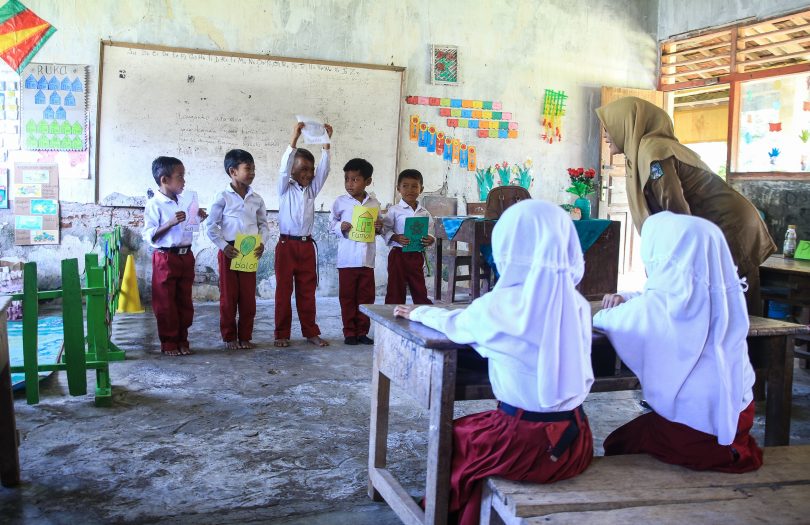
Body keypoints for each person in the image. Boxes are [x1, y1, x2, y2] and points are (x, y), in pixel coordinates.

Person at [394, 200, 594, 525]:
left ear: (508, 247)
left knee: (457, 439)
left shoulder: (501, 306)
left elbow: (456, 325)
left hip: (525, 445)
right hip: (576, 441)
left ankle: (440, 514)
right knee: (472, 441)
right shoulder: (577, 303)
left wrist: (420, 311)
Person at [594, 212, 763, 473]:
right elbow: (659, 298)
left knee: (617, 443)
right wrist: (627, 297)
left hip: (698, 433)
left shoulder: (657, 309)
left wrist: (615, 305)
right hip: (738, 419)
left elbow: (607, 319)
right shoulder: (724, 295)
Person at [596, 96, 776, 314]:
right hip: (717, 225)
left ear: (626, 124)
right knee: (713, 297)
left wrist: (672, 265)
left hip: (731, 227)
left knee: (733, 297)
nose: (605, 134)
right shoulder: (640, 154)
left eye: (609, 127)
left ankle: (748, 346)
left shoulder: (654, 153)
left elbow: (674, 210)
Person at [275, 122, 333, 347]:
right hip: (286, 246)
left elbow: (325, 170)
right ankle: (281, 333)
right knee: (283, 292)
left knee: (307, 292)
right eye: (303, 169)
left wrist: (326, 142)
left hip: (306, 246)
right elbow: (284, 166)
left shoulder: (311, 189)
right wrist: (294, 137)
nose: (309, 174)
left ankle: (310, 331)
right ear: (292, 171)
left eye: (311, 169)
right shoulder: (284, 188)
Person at [142, 156, 208, 356]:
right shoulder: (154, 204)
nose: (184, 181)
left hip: (185, 256)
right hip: (166, 257)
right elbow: (148, 235)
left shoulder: (186, 201)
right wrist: (169, 223)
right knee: (165, 302)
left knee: (184, 301)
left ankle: (182, 338)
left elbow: (189, 226)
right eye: (180, 176)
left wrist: (199, 217)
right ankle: (169, 342)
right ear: (164, 179)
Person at [205, 149, 269, 350]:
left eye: (253, 169)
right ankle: (229, 336)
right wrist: (223, 246)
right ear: (233, 171)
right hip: (229, 251)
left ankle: (245, 336)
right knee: (229, 297)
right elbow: (210, 226)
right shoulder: (223, 196)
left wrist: (262, 243)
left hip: (249, 250)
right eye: (247, 168)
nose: (252, 173)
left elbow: (264, 225)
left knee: (248, 298)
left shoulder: (256, 198)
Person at [329, 158, 382, 345]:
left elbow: (379, 228)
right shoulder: (340, 202)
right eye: (347, 179)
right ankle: (349, 332)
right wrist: (340, 226)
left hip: (367, 260)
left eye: (355, 179)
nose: (349, 184)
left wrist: (378, 226)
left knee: (366, 298)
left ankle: (362, 332)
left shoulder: (374, 204)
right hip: (347, 260)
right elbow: (331, 224)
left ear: (367, 181)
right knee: (347, 297)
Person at [383, 169, 435, 305]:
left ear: (421, 189)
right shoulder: (394, 210)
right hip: (398, 255)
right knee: (395, 288)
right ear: (398, 188)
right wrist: (396, 237)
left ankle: (423, 313)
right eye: (405, 186)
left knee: (419, 287)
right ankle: (392, 316)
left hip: (416, 255)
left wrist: (431, 239)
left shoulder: (424, 213)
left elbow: (430, 232)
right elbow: (385, 229)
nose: (410, 190)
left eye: (414, 186)